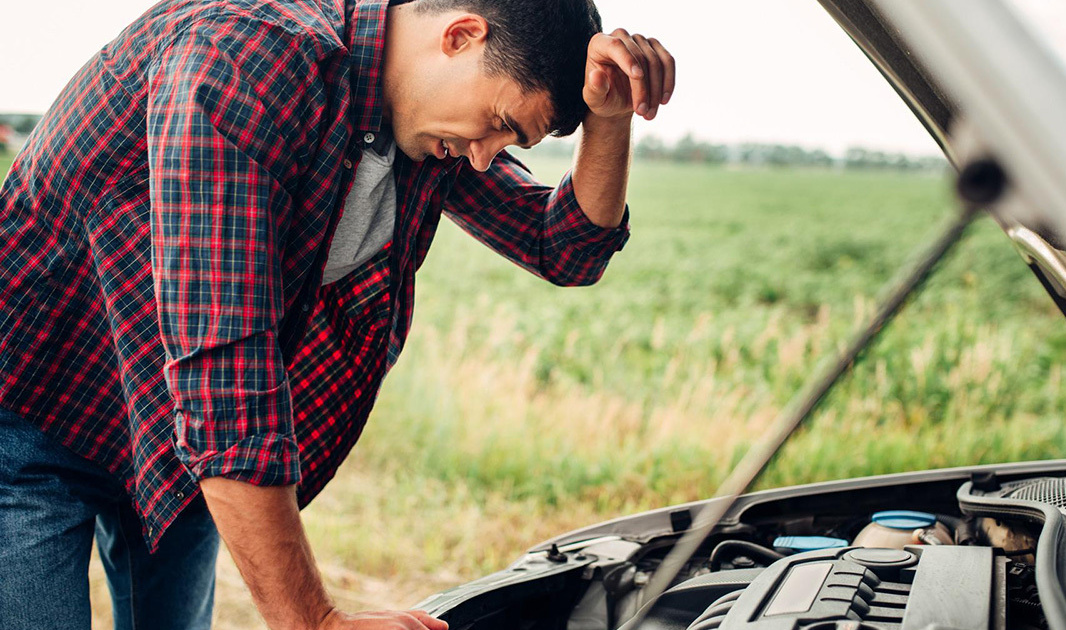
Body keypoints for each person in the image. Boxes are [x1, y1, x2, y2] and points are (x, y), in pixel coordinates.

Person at [0, 0, 674, 626]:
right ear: (461, 36)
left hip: (170, 427)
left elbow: (565, 248)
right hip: (38, 409)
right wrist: (316, 621)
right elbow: (226, 380)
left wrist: (610, 118)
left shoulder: (421, 115)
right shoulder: (245, 59)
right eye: (500, 124)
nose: (483, 155)